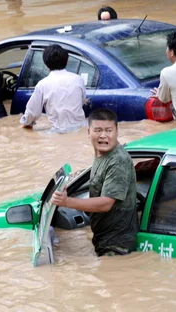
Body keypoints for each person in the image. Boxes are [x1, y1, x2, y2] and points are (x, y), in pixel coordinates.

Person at [51, 108, 138, 256]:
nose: (103, 135)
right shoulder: (103, 154)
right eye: (98, 130)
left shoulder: (118, 160)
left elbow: (106, 203)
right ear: (88, 132)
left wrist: (67, 202)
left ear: (117, 132)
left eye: (108, 130)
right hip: (105, 237)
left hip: (116, 244)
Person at [20, 44, 88, 133]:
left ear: (45, 63)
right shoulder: (78, 79)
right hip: (81, 129)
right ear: (67, 61)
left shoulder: (43, 85)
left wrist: (25, 123)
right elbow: (82, 101)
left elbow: (32, 113)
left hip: (58, 132)